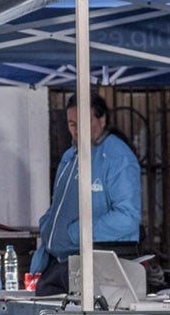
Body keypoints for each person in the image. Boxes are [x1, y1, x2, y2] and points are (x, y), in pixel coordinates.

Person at [31, 93, 142, 297]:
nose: (76, 130)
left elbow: (127, 218)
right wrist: (48, 227)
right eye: (72, 123)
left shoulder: (118, 157)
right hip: (61, 262)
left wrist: (76, 233)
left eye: (83, 122)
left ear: (102, 120)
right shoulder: (70, 156)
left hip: (95, 266)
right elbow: (58, 206)